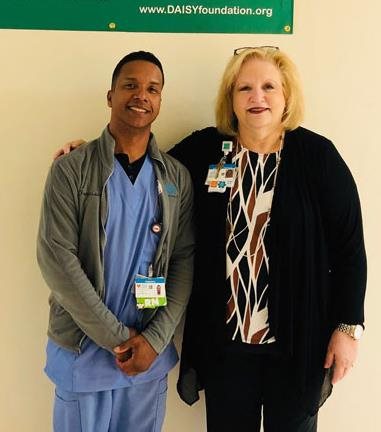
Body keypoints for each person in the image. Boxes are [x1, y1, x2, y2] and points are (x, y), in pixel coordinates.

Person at [56, 47, 367, 431]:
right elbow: (144, 166)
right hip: (227, 348)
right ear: (230, 99)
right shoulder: (209, 149)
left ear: (287, 96)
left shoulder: (317, 157)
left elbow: (350, 248)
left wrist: (347, 328)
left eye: (269, 87)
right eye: (244, 88)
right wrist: (87, 155)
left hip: (296, 343)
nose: (257, 97)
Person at [37, 51, 194, 432]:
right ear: (110, 96)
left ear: (159, 101)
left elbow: (183, 260)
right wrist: (119, 339)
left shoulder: (175, 178)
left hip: (148, 357)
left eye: (152, 89)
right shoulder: (72, 169)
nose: (141, 95)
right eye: (130, 85)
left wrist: (154, 341)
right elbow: (57, 260)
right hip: (84, 350)